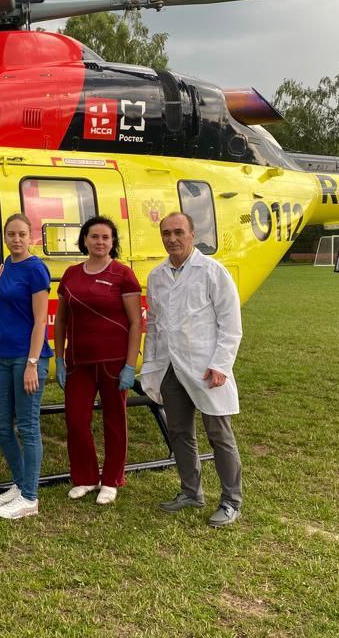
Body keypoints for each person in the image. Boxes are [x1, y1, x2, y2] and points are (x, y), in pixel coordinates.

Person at [141, 211, 244, 527]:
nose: (172, 238)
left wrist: (220, 364)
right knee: (179, 431)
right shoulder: (156, 276)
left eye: (178, 232)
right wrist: (151, 366)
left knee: (218, 434)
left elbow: (230, 323)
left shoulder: (212, 271)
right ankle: (191, 491)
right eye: (166, 233)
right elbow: (155, 326)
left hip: (206, 367)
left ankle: (230, 501)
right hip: (171, 367)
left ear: (192, 233)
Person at [54, 216, 141, 505]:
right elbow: (62, 320)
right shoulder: (71, 274)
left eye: (106, 237)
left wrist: (130, 364)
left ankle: (112, 479)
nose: (100, 242)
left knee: (114, 420)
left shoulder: (123, 274)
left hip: (114, 361)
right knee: (76, 420)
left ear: (113, 242)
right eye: (94, 237)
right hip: (78, 361)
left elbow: (135, 323)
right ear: (85, 240)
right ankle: (86, 477)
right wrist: (59, 358)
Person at [0, 213, 52, 519]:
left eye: (22, 234)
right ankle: (20, 482)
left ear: (32, 237)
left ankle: (30, 497)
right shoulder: (6, 264)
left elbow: (40, 320)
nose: (16, 239)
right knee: (1, 424)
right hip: (4, 356)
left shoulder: (36, 269)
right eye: (11, 234)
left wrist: (32, 363)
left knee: (28, 427)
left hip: (28, 358)